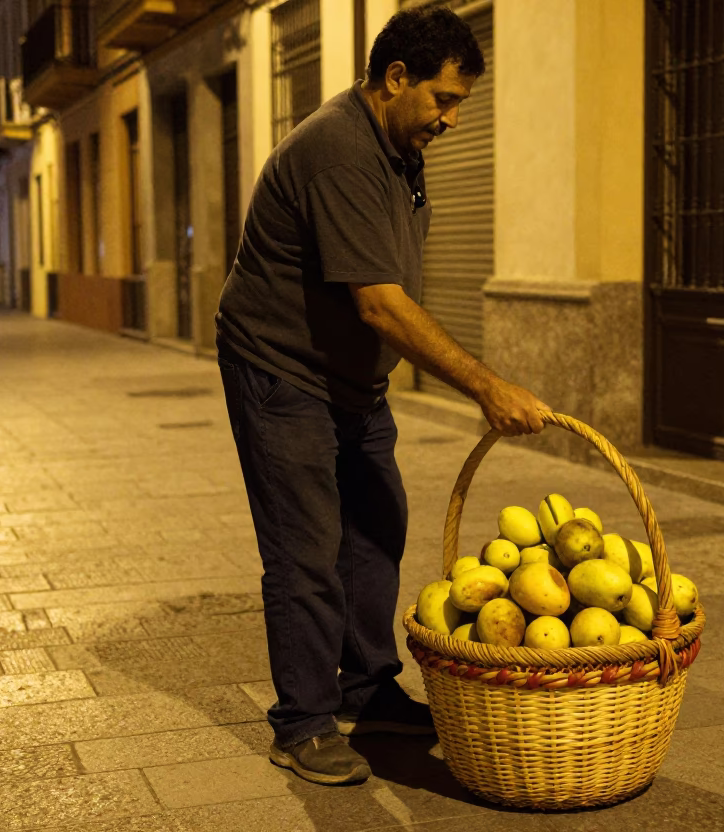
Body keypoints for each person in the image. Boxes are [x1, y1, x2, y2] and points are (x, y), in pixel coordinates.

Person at [216, 7, 548, 786]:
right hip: (281, 369)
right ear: (395, 78)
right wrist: (488, 387)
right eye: (443, 99)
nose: (453, 119)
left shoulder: (398, 146)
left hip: (351, 380)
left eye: (459, 103)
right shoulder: (338, 149)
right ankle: (300, 723)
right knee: (306, 552)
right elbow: (380, 303)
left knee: (376, 526)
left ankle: (367, 689)